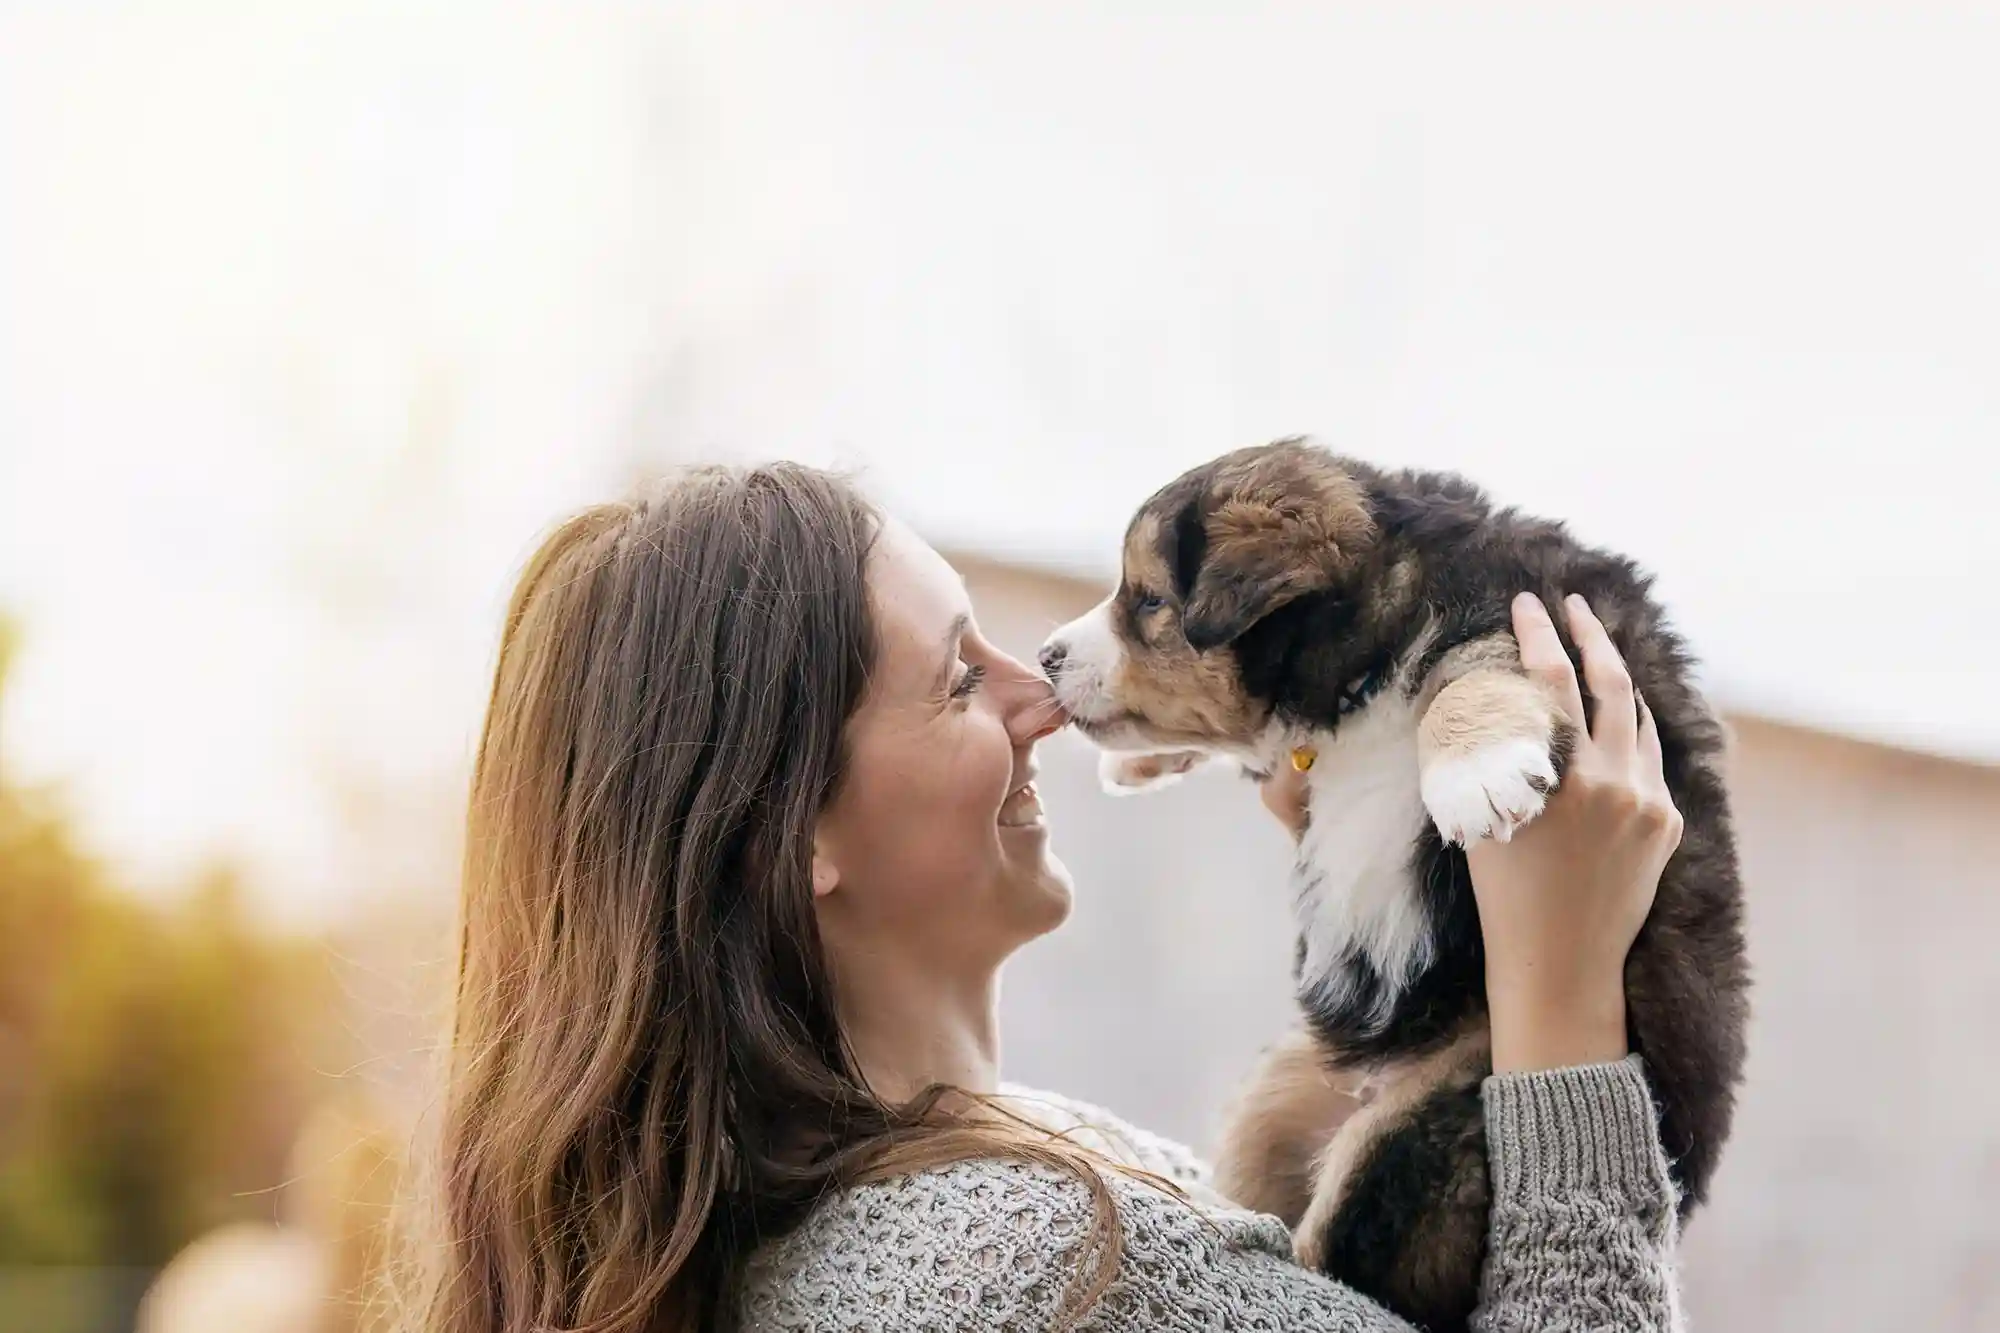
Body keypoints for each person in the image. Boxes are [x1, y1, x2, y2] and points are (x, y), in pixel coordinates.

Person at [402, 463, 1686, 1332]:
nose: (1039, 700)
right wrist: (1561, 999)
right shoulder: (1045, 1268)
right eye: (959, 680)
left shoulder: (822, 1242)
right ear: (785, 835)